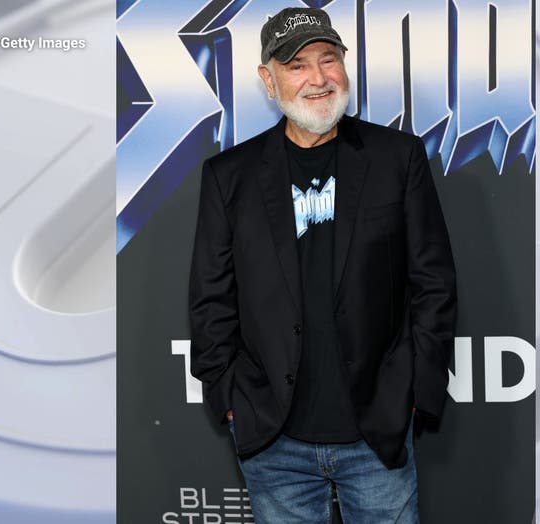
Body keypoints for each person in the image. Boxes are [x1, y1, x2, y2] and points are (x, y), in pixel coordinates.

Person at [188, 7, 456, 523]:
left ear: (345, 68)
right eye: (296, 65)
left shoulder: (396, 158)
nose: (317, 78)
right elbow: (210, 296)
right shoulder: (230, 176)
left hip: (376, 431)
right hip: (273, 438)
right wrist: (229, 398)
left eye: (328, 60)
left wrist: (416, 389)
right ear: (269, 80)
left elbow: (434, 281)